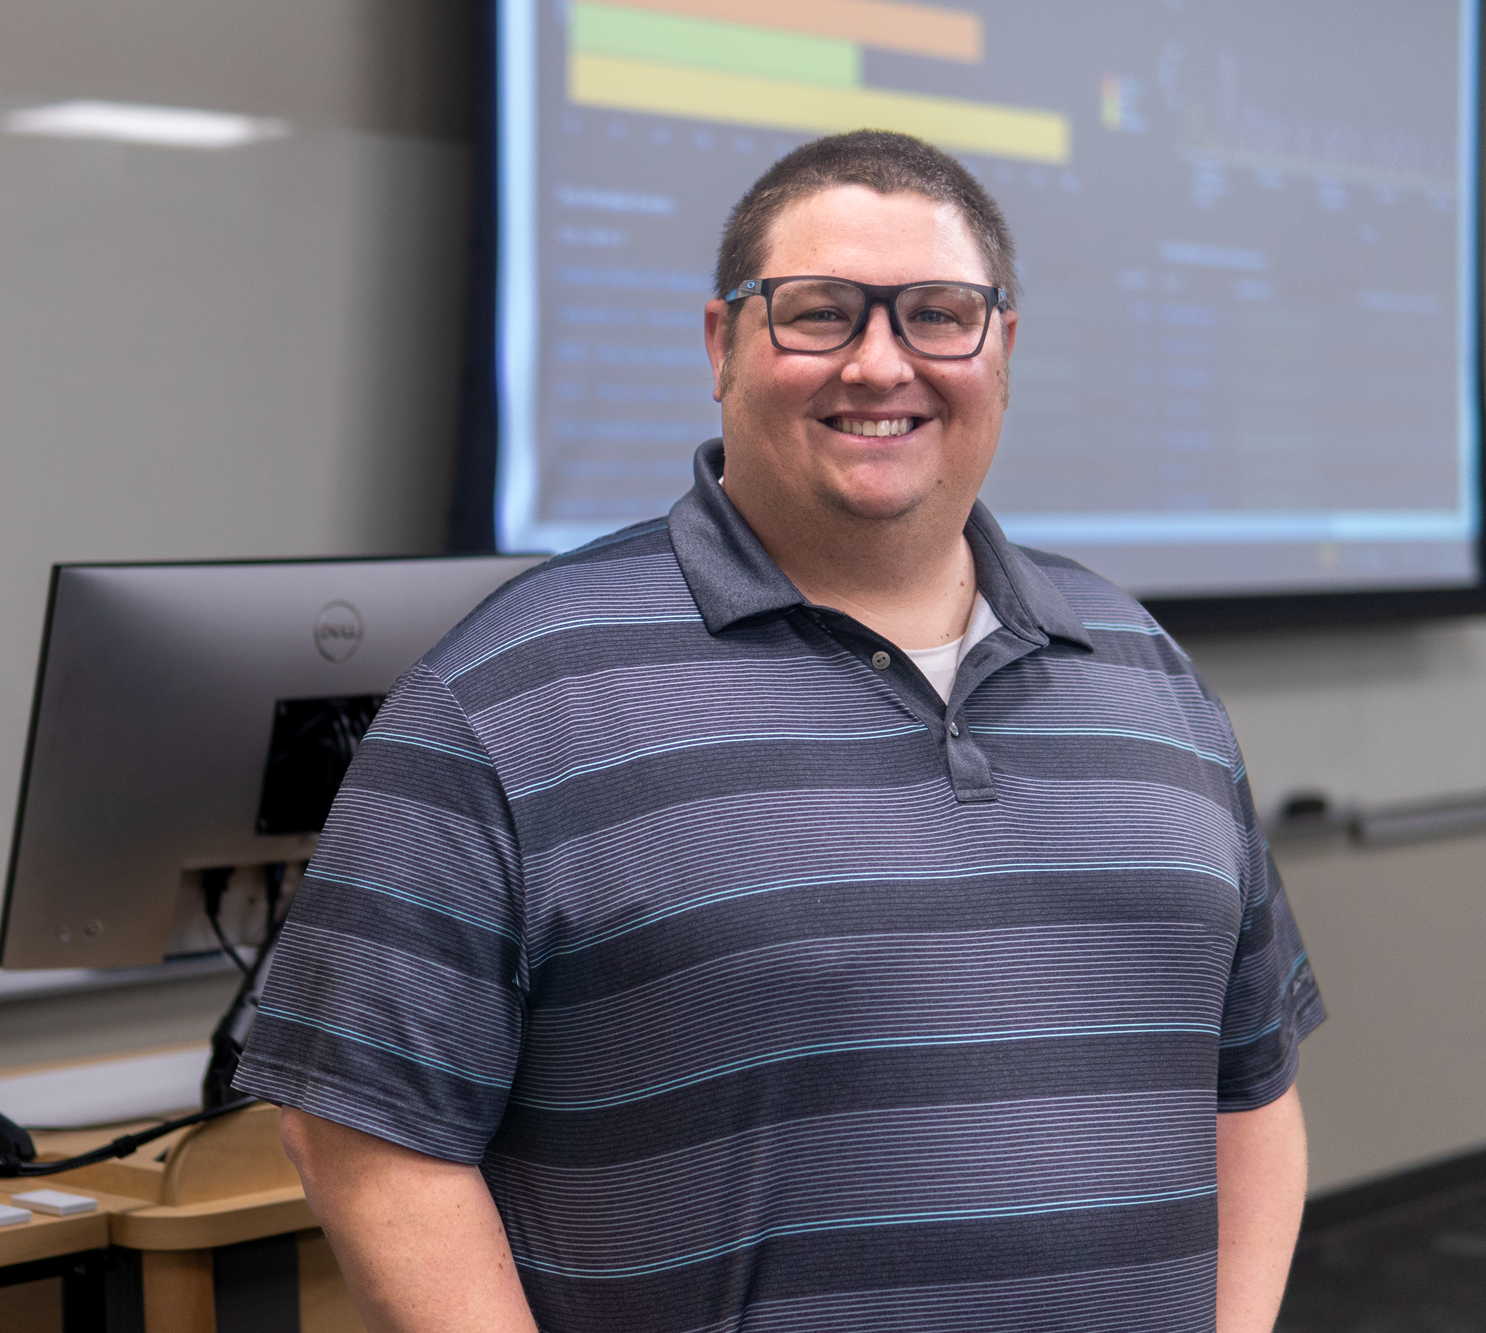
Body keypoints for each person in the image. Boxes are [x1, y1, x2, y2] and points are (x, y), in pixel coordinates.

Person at [234, 129, 1323, 1332]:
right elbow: (359, 1127)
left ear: (999, 349)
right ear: (721, 344)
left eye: (935, 314)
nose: (876, 363)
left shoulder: (1141, 668)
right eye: (815, 313)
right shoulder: (507, 694)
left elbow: (1248, 1090)